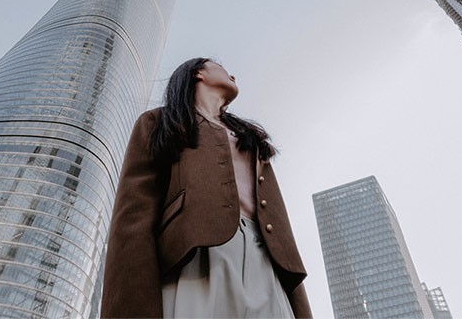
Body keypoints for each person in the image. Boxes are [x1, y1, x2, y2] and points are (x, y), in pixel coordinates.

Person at [101, 57, 311, 318]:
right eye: (221, 67)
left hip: (266, 262)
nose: (232, 74)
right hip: (195, 259)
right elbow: (133, 215)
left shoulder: (251, 139)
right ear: (198, 72)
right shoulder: (159, 122)